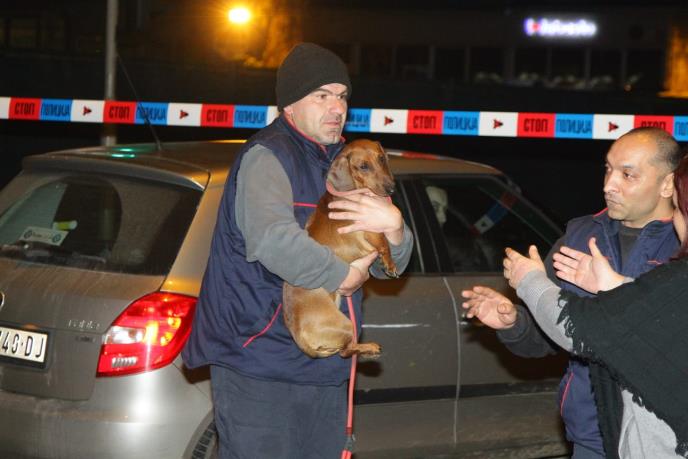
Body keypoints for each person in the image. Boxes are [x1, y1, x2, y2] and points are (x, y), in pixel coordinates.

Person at [182, 43, 413, 459]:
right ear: (289, 104)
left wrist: (396, 230)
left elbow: (388, 267)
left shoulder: (350, 162)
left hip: (325, 363)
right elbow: (273, 240)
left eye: (342, 96)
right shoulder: (269, 156)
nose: (336, 108)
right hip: (261, 362)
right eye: (321, 96)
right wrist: (343, 276)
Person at [461, 127, 682, 458]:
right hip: (591, 434)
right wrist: (513, 323)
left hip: (662, 439)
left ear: (667, 184)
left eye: (628, 175)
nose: (609, 185)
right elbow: (546, 335)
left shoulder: (680, 247)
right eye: (608, 169)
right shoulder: (580, 235)